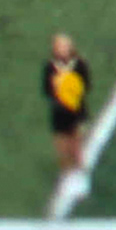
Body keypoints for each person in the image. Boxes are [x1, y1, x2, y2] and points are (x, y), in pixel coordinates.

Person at [42, 32, 92, 204]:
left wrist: (71, 91)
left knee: (76, 145)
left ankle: (80, 179)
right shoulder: (50, 67)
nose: (62, 49)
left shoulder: (79, 65)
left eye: (65, 46)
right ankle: (66, 177)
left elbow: (86, 86)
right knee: (62, 148)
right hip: (59, 113)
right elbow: (47, 90)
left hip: (77, 112)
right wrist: (58, 92)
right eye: (59, 46)